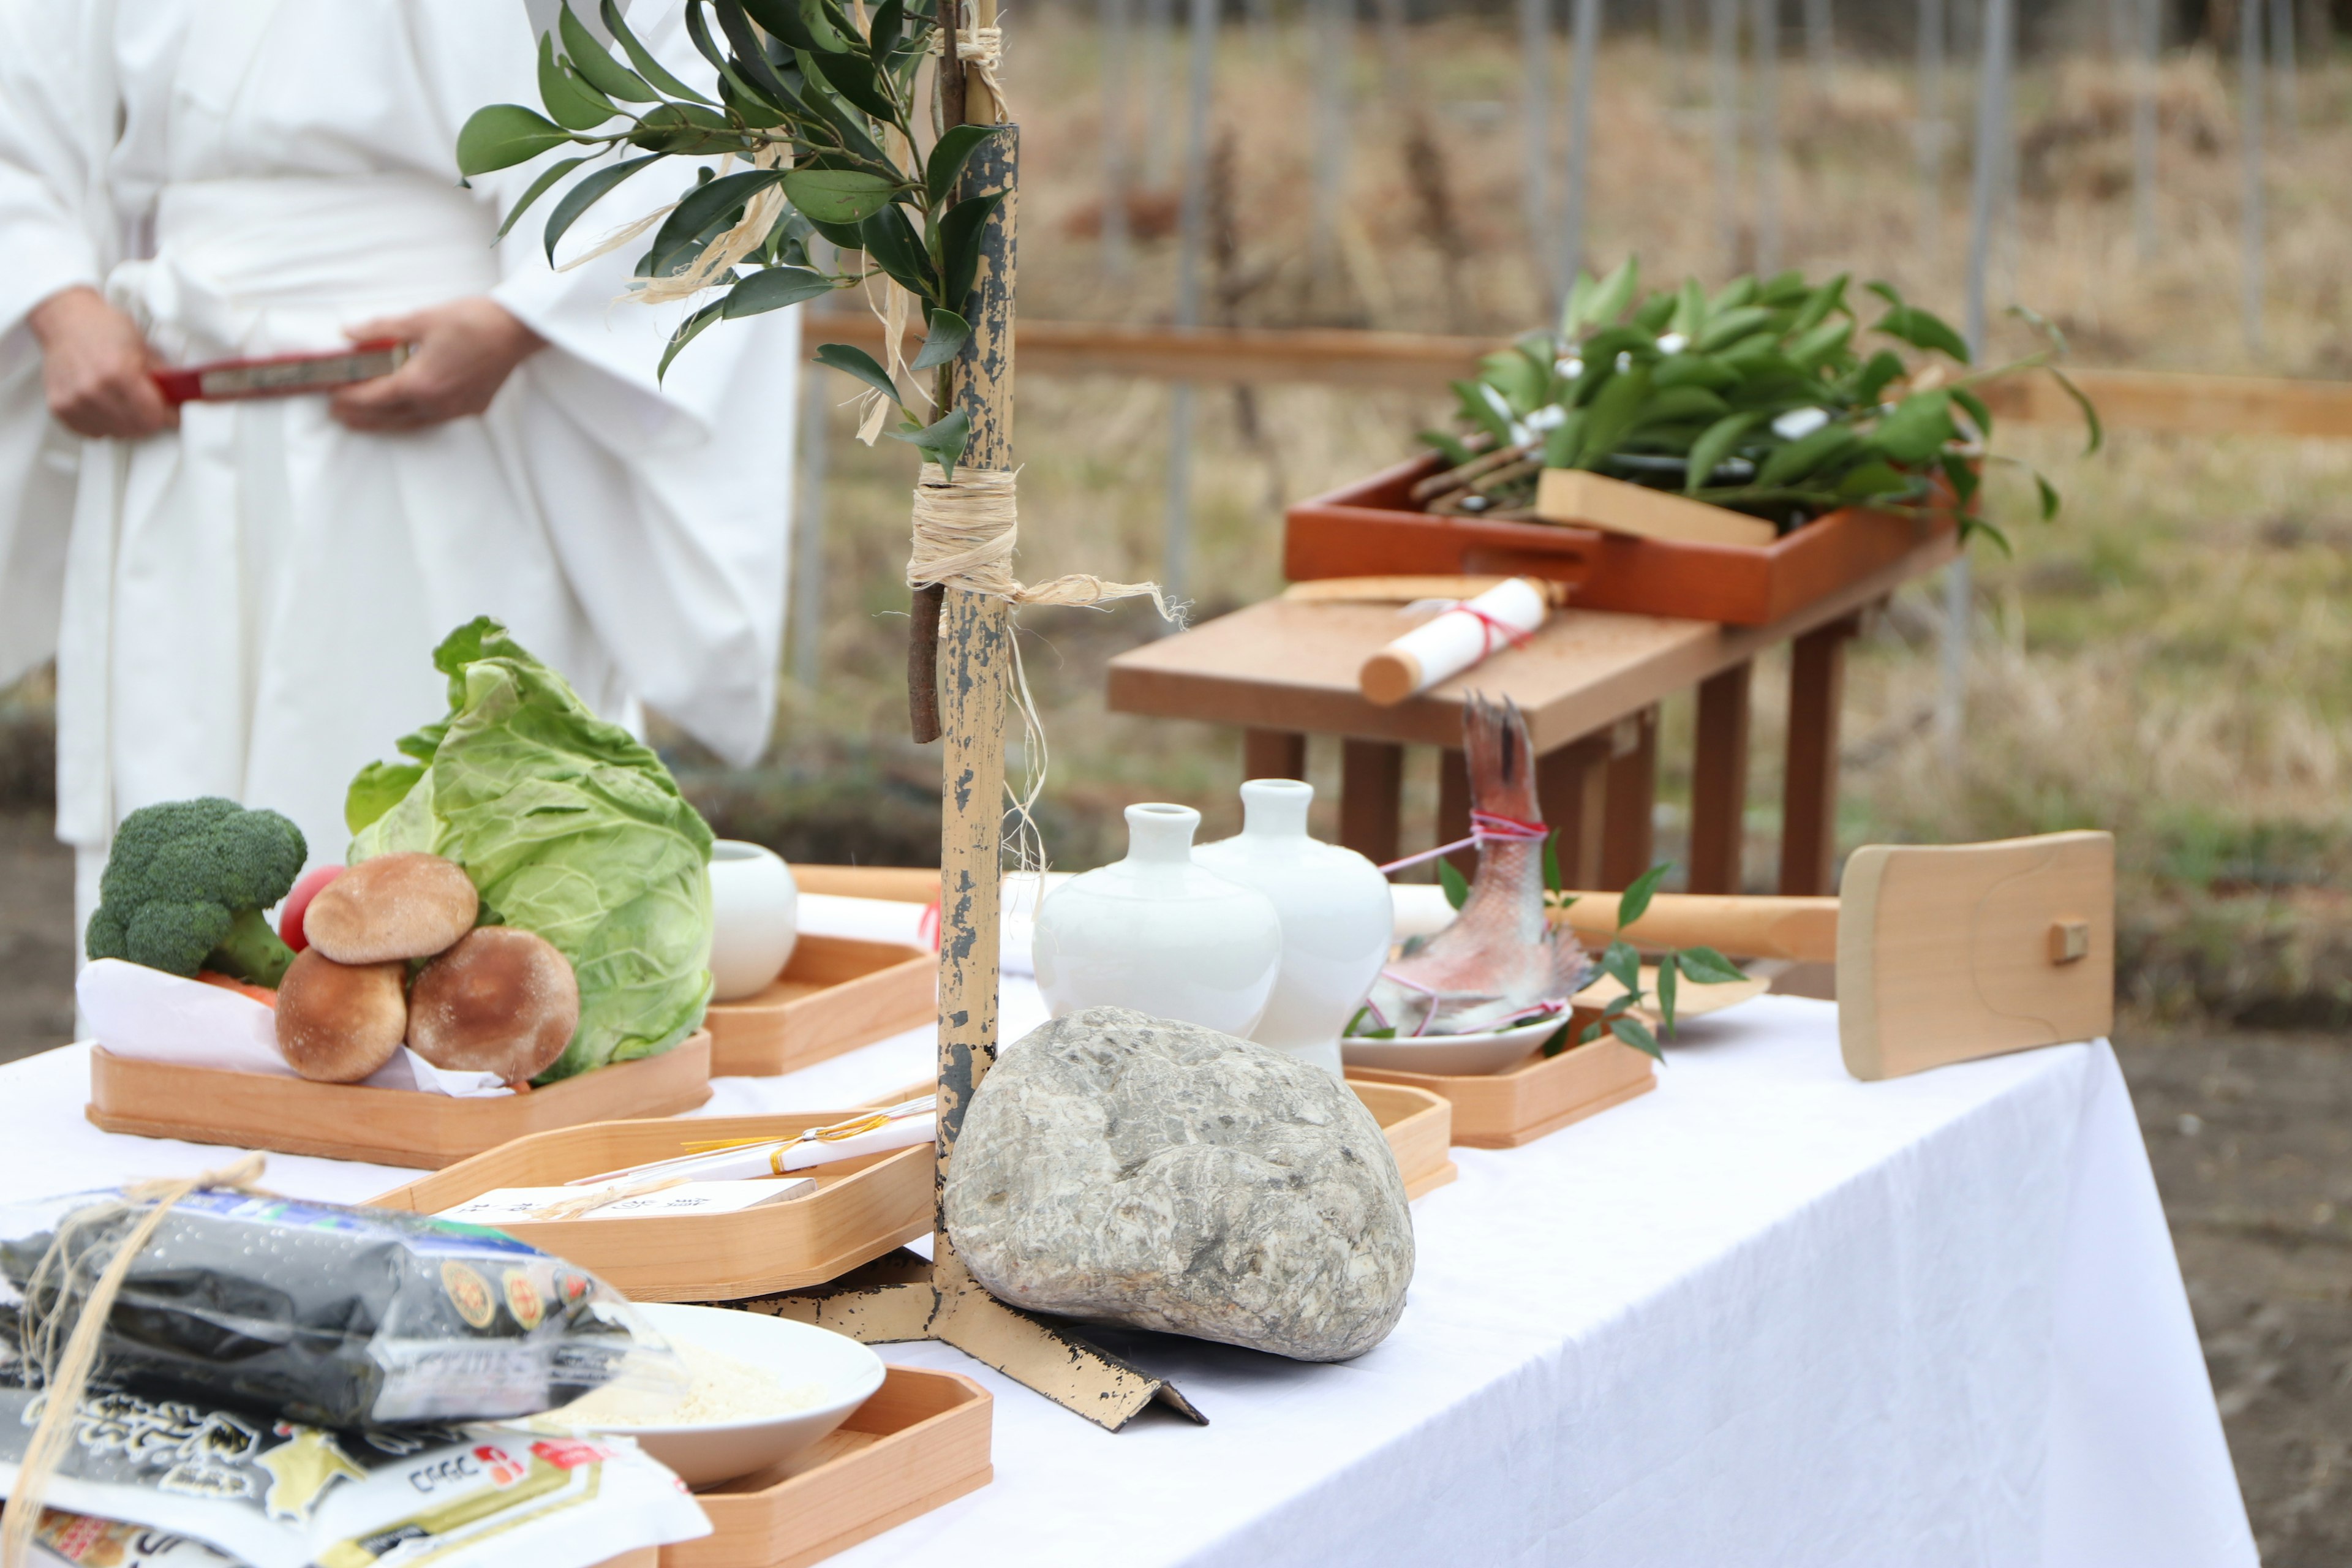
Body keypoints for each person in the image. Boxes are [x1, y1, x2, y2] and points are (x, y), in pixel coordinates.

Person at [0, 1, 800, 939]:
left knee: (444, 835)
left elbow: (701, 93)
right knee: (181, 840)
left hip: (462, 411)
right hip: (179, 415)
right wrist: (55, 296)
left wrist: (525, 320)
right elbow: (23, 101)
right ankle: (177, 1078)